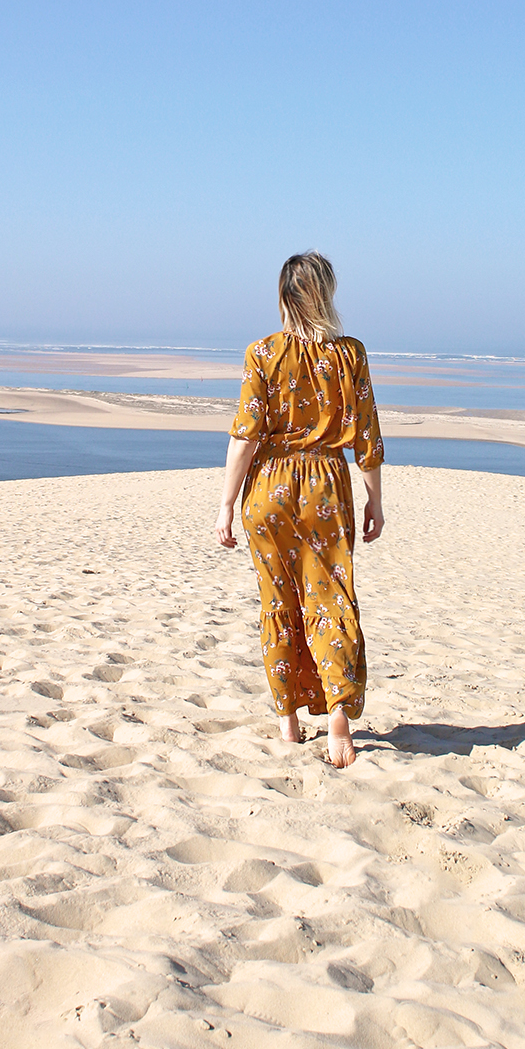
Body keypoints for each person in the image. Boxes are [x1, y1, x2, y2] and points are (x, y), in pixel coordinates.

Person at [215, 252, 384, 768]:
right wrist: (376, 498)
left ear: (283, 296)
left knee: (280, 600)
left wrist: (225, 505)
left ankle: (288, 720)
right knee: (331, 596)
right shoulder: (350, 354)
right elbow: (368, 436)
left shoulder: (262, 352)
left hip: (269, 490)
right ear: (326, 294)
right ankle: (336, 720)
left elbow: (245, 437)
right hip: (327, 489)